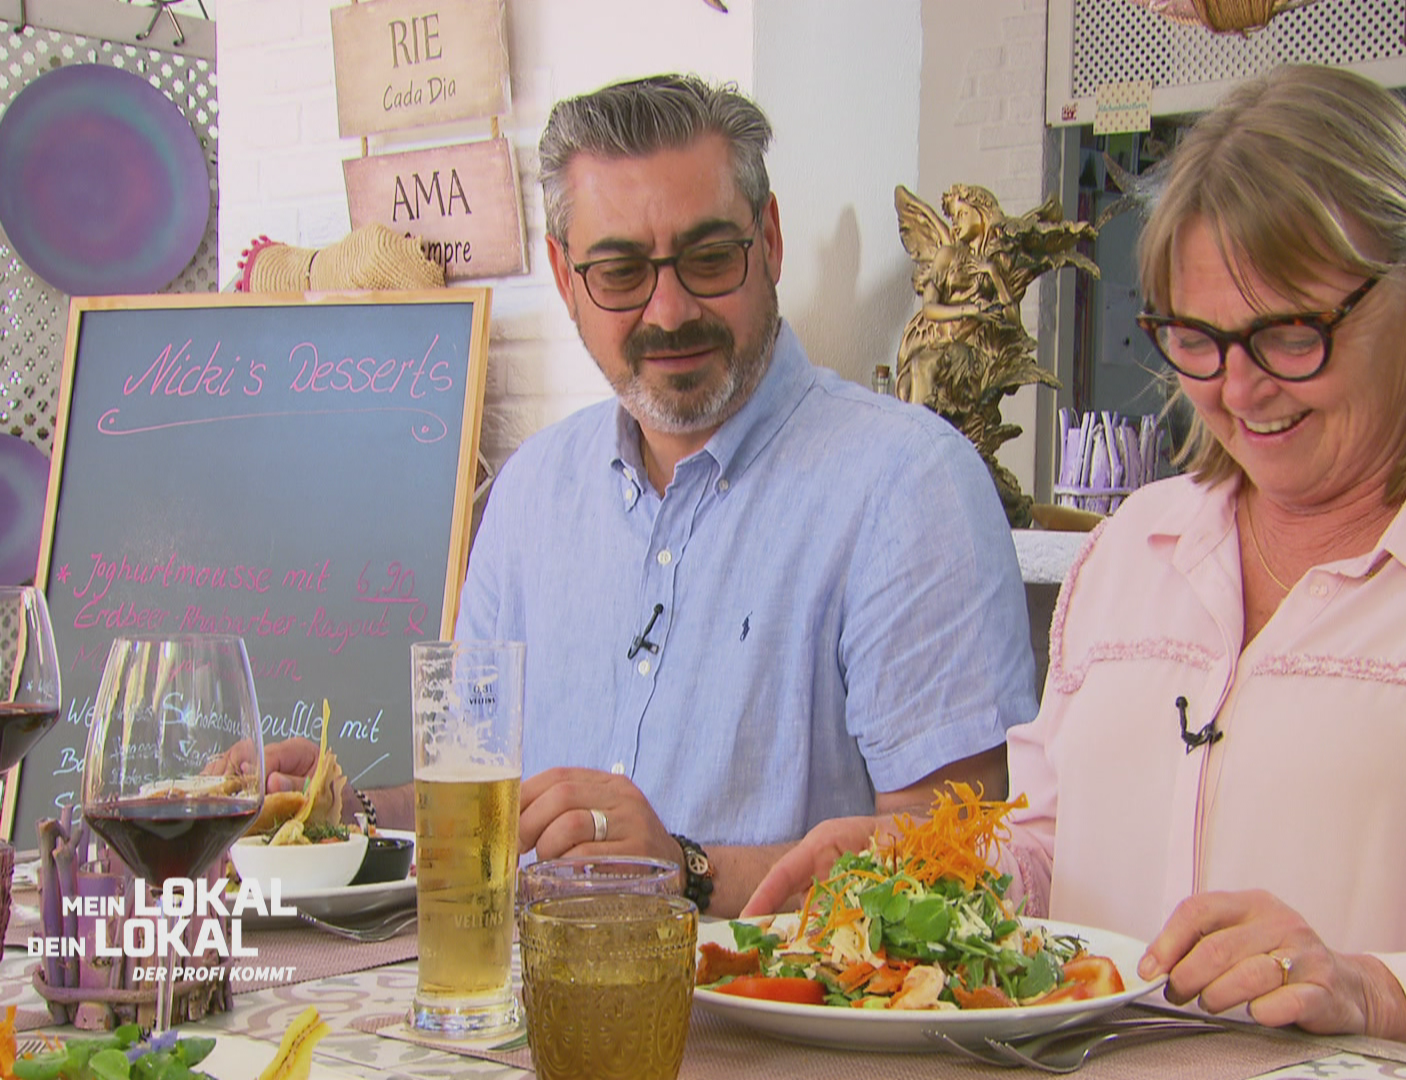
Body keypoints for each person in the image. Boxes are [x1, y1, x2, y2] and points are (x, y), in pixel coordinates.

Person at [750, 64, 1406, 1078]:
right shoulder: (1131, 552)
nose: (1238, 389)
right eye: (1196, 339)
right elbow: (1060, 861)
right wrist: (926, 873)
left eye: (1291, 333)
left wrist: (1381, 992)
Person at [255, 74, 1038, 917]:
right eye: (621, 271)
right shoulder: (527, 494)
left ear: (771, 241)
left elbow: (959, 865)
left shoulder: (911, 485)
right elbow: (476, 801)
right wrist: (346, 815)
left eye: (709, 258)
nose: (669, 311)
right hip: (527, 993)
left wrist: (687, 870)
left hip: (764, 1004)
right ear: (565, 279)